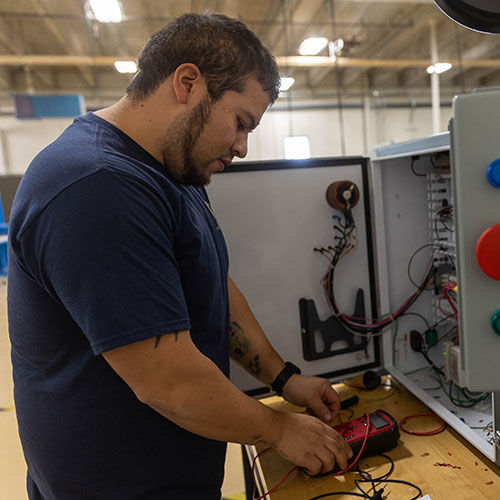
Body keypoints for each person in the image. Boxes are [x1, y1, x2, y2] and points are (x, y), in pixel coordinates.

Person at [7, 11, 352, 500]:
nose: (243, 146)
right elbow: (167, 383)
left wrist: (285, 379)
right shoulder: (96, 185)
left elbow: (213, 287)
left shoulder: (172, 172)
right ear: (188, 83)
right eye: (240, 122)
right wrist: (279, 431)